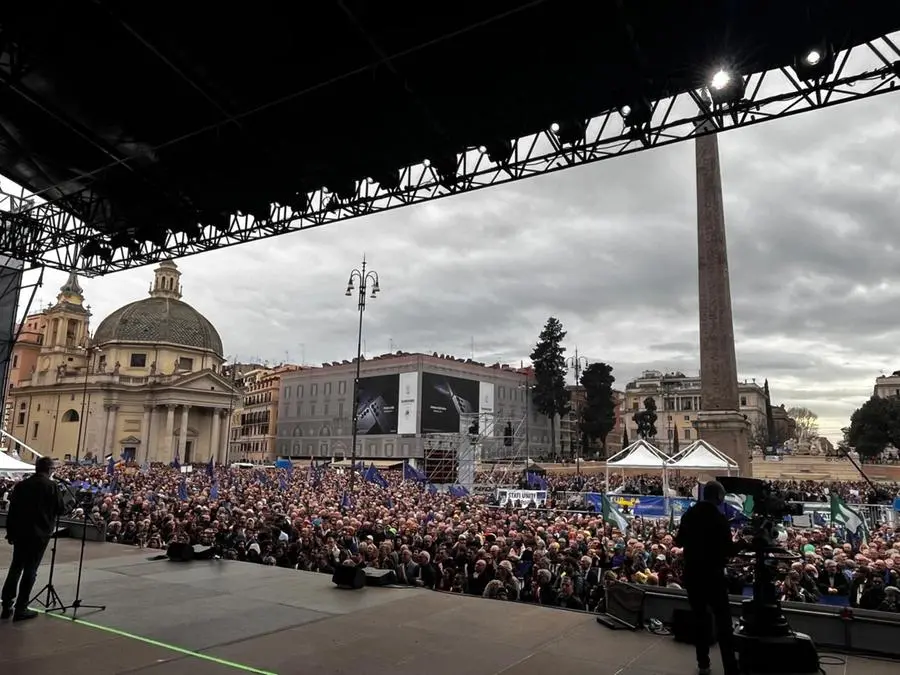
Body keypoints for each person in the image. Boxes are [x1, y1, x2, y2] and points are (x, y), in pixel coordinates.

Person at [675, 480, 743, 675]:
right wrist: (742, 544)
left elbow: (680, 541)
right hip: (713, 576)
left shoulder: (689, 514)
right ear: (719, 497)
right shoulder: (718, 518)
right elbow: (728, 550)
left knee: (700, 620)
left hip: (693, 575)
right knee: (723, 623)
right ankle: (730, 666)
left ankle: (703, 663)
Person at [2, 457, 65, 622]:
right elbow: (61, 509)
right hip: (39, 535)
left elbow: (12, 511)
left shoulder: (22, 485)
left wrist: (10, 532)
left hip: (20, 533)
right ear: (50, 469)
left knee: (16, 567)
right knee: (30, 569)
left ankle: (6, 605)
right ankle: (21, 608)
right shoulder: (52, 487)